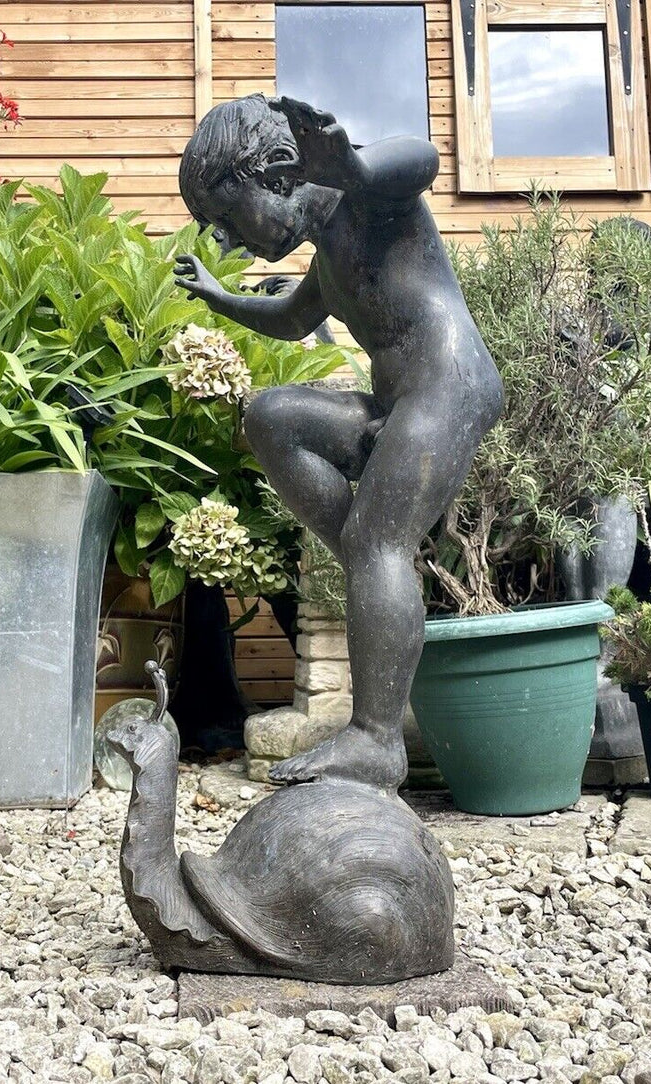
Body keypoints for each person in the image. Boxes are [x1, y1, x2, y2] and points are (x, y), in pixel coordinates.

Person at [173, 94, 503, 789]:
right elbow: (291, 322)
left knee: (377, 544)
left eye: (230, 219)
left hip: (448, 386)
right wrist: (216, 297)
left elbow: (418, 159)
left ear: (276, 171)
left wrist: (349, 164)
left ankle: (375, 738)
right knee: (270, 415)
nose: (232, 243)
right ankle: (371, 566)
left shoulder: (369, 203)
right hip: (397, 404)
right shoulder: (328, 258)